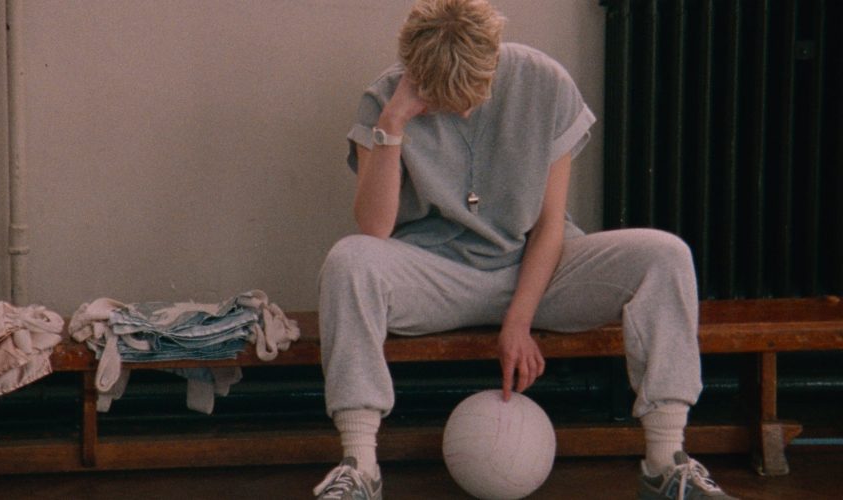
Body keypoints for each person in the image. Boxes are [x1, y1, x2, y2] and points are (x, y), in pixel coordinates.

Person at [312, 1, 738, 499]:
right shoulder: (384, 98)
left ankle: (667, 463)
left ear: (494, 58)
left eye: (474, 91)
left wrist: (518, 322)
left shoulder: (544, 82)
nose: (463, 108)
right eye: (445, 96)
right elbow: (374, 228)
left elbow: (550, 225)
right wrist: (394, 122)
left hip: (536, 267)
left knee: (665, 255)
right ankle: (359, 466)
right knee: (348, 260)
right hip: (436, 276)